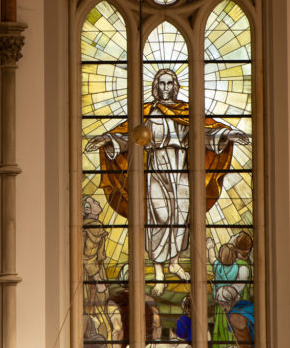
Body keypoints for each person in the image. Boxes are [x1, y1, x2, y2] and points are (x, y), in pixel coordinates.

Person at [85, 69, 249, 296]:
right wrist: (105, 139)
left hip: (181, 169)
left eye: (169, 83)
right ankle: (159, 274)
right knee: (159, 218)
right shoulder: (148, 112)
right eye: (161, 83)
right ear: (156, 86)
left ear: (175, 86)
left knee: (180, 217)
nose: (165, 87)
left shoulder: (186, 112)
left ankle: (174, 263)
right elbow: (129, 136)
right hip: (157, 169)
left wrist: (228, 135)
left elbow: (203, 134)